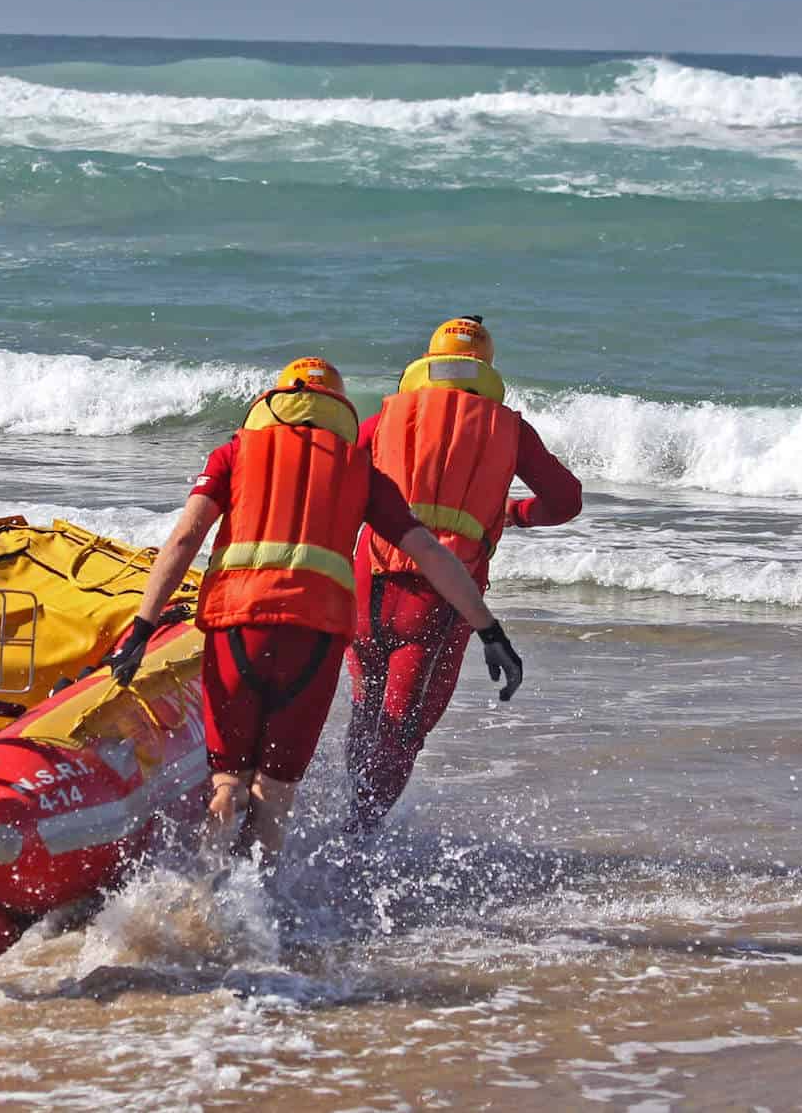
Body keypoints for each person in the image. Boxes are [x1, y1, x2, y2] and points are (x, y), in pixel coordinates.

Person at [98, 356, 524, 867]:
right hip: (313, 641)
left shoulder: (232, 454)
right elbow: (431, 554)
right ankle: (264, 910)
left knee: (229, 783)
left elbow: (186, 537)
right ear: (337, 409)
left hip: (238, 630)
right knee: (275, 794)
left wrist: (142, 628)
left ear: (276, 404)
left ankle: (202, 902)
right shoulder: (359, 471)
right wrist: (489, 630)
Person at [343, 317, 582, 834]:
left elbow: (335, 479)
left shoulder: (386, 417)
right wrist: (516, 515)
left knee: (367, 709)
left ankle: (343, 820)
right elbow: (566, 500)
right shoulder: (508, 428)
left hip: (367, 585)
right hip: (439, 599)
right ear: (486, 368)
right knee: (403, 729)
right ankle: (358, 839)